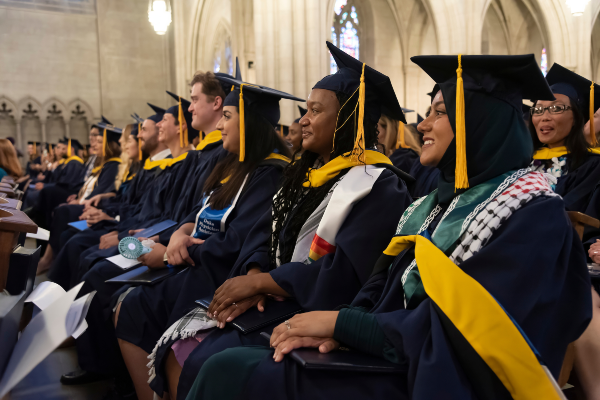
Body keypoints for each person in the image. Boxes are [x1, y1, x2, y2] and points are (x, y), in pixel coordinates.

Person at [186, 54, 592, 400]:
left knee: (234, 374)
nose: (424, 125)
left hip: (441, 377)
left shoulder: (532, 215)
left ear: (478, 123)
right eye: (427, 111)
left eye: (440, 112)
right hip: (396, 355)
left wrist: (345, 325)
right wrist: (346, 329)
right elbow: (379, 290)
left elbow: (467, 333)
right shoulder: (433, 206)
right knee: (227, 363)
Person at [153, 41, 413, 400]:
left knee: (209, 359)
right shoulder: (305, 175)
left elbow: (345, 275)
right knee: (187, 346)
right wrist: (257, 273)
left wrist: (269, 284)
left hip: (315, 308)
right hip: (278, 297)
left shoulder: (379, 186)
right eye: (305, 110)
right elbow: (267, 231)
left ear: (348, 120)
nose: (303, 120)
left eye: (315, 111)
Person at [112, 71, 300, 400]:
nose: (221, 125)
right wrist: (180, 234)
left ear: (250, 123)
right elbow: (198, 212)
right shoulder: (232, 166)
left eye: (227, 116)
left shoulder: (270, 173)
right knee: (126, 300)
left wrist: (176, 254)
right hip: (197, 261)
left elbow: (238, 242)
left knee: (134, 307)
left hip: (218, 271)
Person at [40, 125, 123, 275]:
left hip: (102, 209)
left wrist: (82, 202)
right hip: (94, 206)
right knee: (63, 221)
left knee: (63, 211)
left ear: (109, 145)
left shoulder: (114, 166)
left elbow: (104, 191)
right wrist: (78, 197)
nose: (93, 144)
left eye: (99, 141)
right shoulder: (104, 165)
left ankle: (50, 262)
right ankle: (52, 261)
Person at [529, 63, 600, 212]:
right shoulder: (522, 163)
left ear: (575, 118)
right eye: (538, 109)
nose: (544, 117)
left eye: (556, 108)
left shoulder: (592, 166)